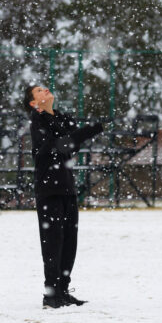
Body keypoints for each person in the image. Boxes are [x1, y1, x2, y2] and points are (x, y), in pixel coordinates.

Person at [23, 85, 103, 309]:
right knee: (52, 243)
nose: (45, 90)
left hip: (67, 188)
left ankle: (63, 290)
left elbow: (71, 145)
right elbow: (57, 146)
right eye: (39, 91)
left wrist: (85, 131)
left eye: (45, 88)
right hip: (49, 190)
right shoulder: (37, 122)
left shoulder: (60, 118)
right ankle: (51, 294)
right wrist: (86, 132)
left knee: (69, 242)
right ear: (33, 103)